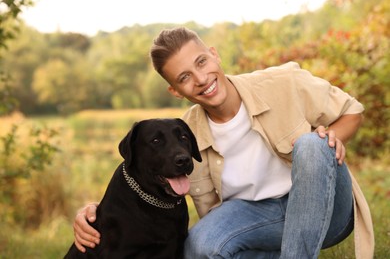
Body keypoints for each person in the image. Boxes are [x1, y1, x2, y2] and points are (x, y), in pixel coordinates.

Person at [73, 27, 374, 258]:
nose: (202, 79)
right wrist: (93, 212)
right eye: (185, 77)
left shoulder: (283, 82)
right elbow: (142, 176)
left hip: (326, 208)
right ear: (175, 90)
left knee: (310, 144)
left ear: (214, 54)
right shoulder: (183, 132)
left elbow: (352, 112)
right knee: (200, 246)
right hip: (260, 216)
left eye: (202, 62)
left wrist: (332, 136)